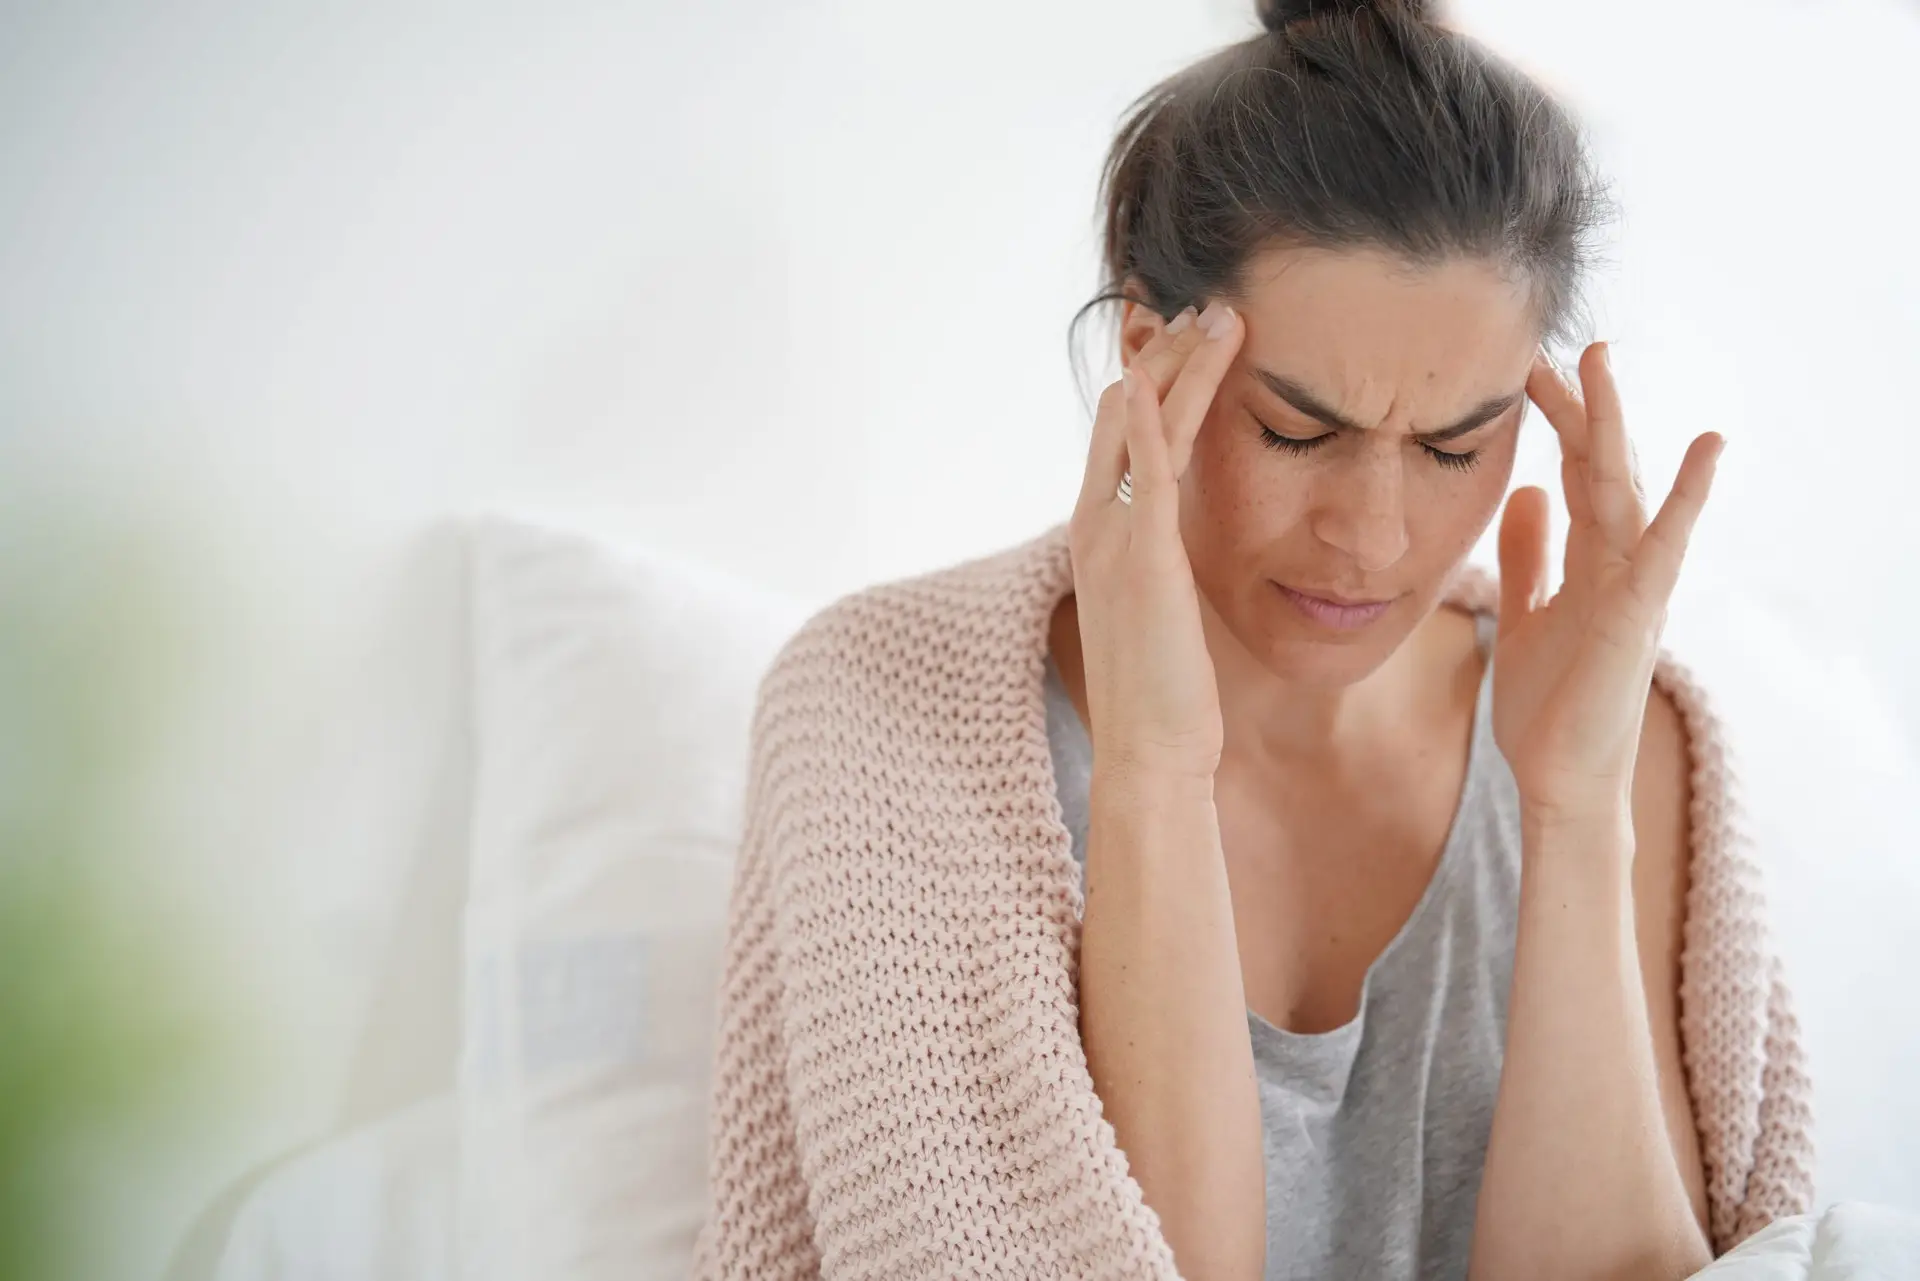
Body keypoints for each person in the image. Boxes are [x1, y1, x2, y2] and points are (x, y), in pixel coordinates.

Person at [693, 0, 1814, 1277]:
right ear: (1146, 353)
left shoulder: (1635, 739)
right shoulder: (877, 713)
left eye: (1456, 447)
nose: (1376, 538)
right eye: (1297, 430)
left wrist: (1572, 810)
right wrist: (1155, 767)